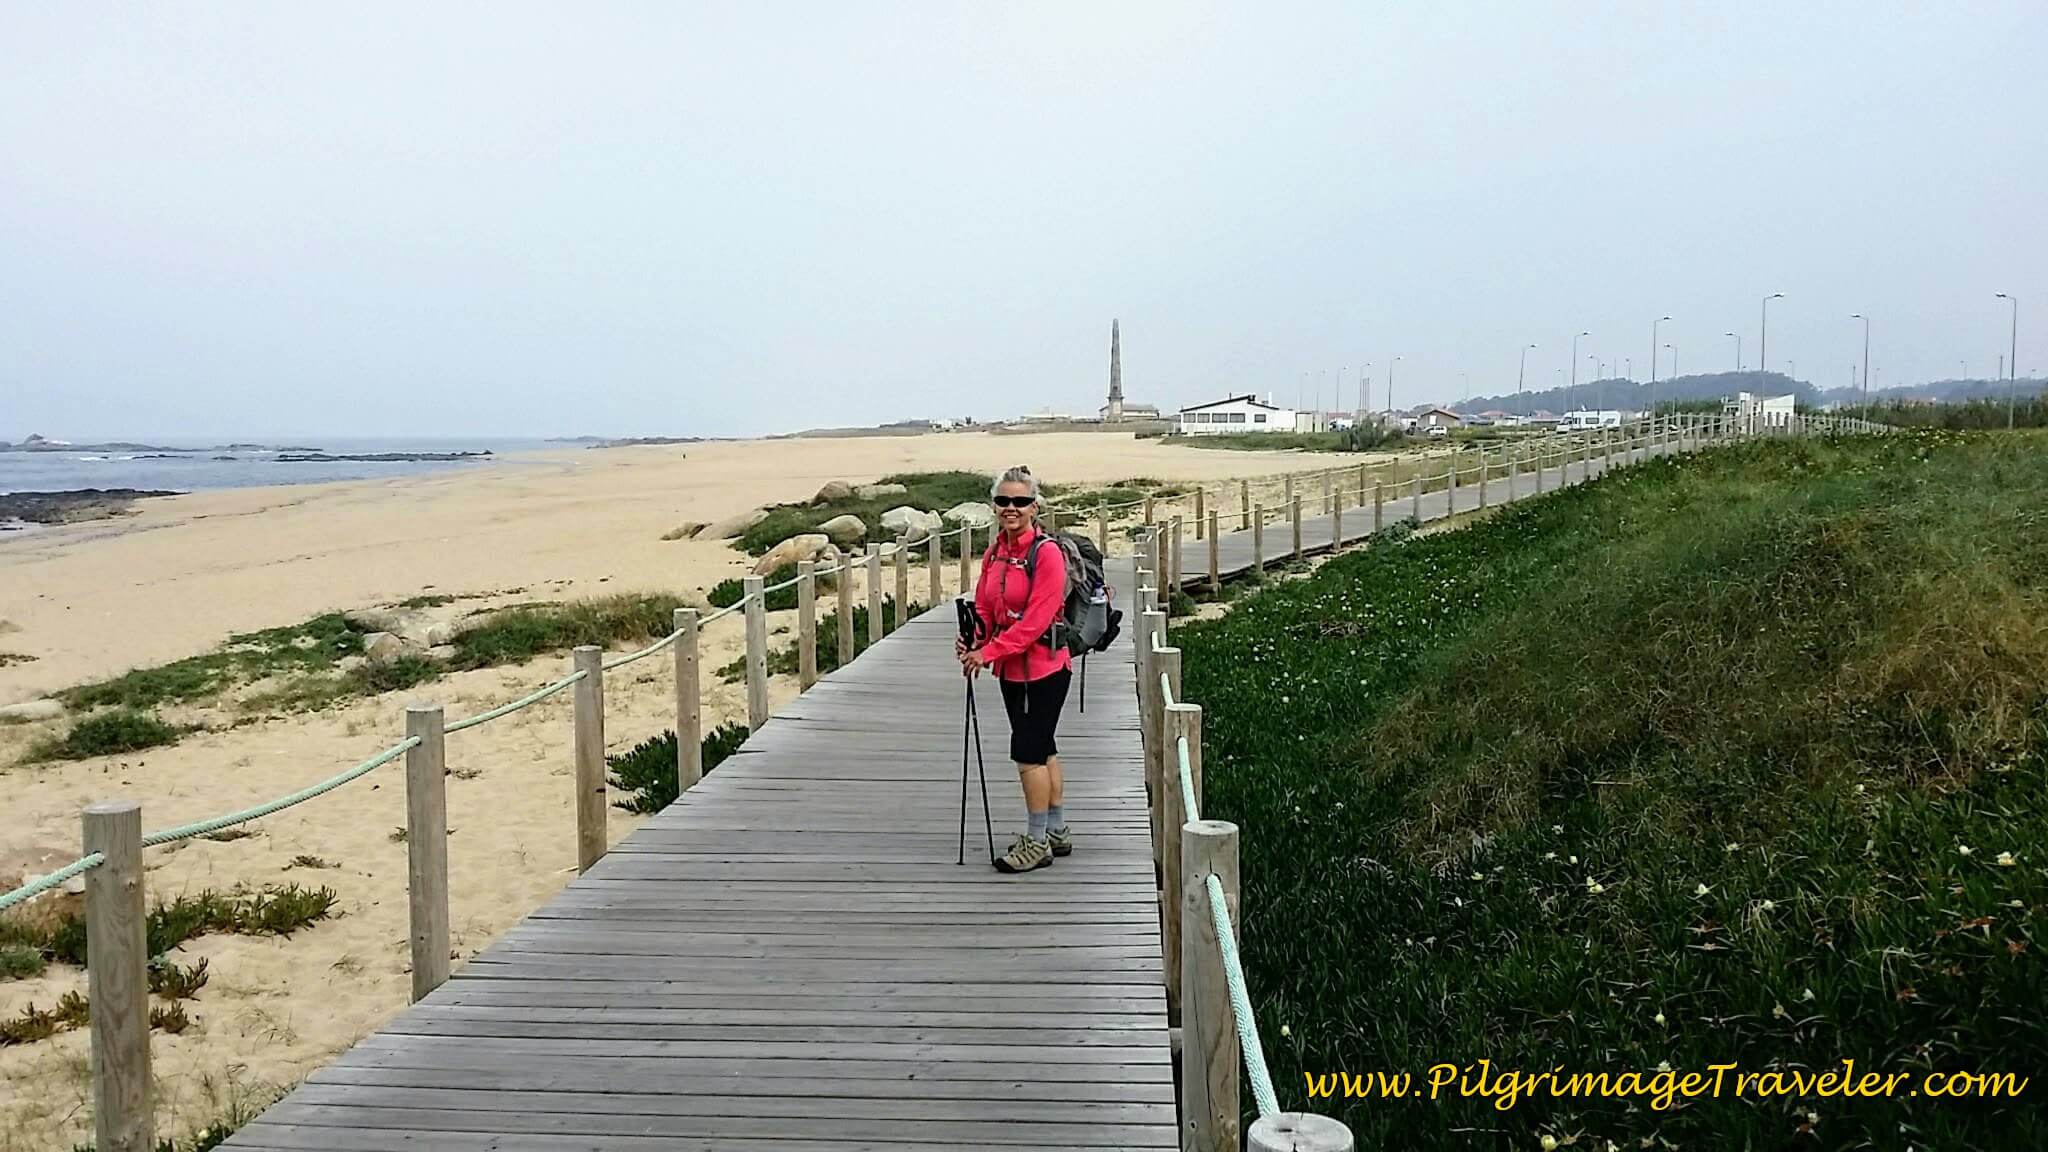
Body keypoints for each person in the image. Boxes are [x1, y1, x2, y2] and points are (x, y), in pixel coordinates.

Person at [957, 465, 1073, 873]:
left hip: (1044, 670)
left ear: (1034, 507)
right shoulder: (995, 552)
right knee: (1043, 747)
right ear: (994, 506)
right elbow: (987, 606)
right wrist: (977, 639)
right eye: (1003, 501)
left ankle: (1036, 842)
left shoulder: (1047, 554)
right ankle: (1056, 832)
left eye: (1020, 501)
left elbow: (1036, 622)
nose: (1011, 508)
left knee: (1027, 752)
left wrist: (988, 653)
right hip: (1010, 670)